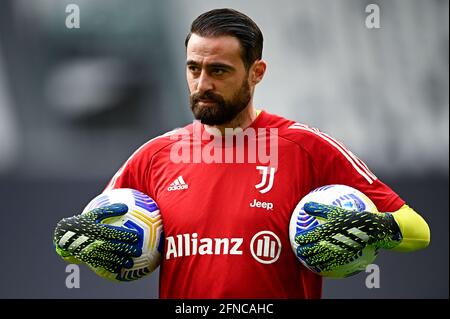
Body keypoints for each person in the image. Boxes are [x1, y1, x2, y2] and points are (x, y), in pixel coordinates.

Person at [53, 8, 430, 299]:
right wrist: (70, 243)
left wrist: (380, 228)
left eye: (219, 70)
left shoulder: (306, 147)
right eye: (193, 68)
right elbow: (88, 235)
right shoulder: (155, 155)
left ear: (256, 72)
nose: (203, 84)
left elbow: (419, 231)